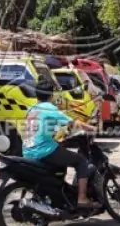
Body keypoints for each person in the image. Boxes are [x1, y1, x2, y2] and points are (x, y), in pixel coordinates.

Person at [22, 76, 100, 209]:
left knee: (59, 155)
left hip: (27, 151)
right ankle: (82, 199)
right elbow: (73, 123)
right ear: (51, 95)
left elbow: (41, 130)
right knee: (81, 161)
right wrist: (92, 128)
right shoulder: (49, 108)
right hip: (43, 151)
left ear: (37, 95)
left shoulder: (32, 109)